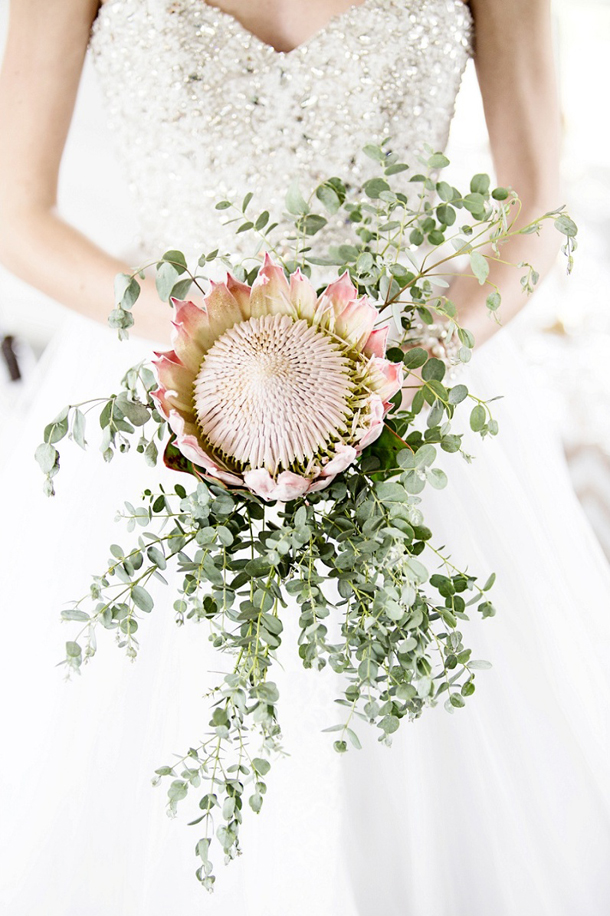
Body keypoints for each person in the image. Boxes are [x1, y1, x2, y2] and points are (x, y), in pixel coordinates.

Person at [0, 2, 609, 914]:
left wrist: (394, 367)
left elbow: (537, 221)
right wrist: (211, 345)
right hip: (167, 392)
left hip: (407, 391)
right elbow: (16, 213)